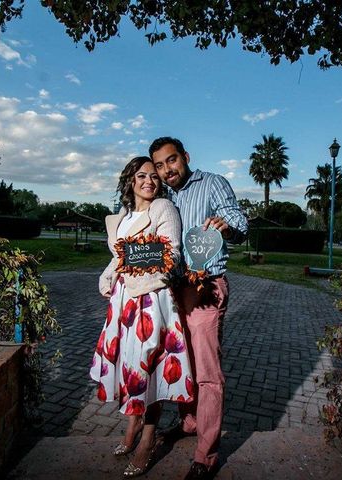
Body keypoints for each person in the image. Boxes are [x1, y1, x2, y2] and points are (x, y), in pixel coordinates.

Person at [149, 137, 248, 480]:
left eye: (171, 160)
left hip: (205, 288)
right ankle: (189, 422)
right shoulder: (164, 198)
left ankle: (206, 457)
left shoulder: (212, 184)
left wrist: (226, 224)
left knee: (207, 372)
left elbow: (240, 221)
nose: (166, 170)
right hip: (172, 290)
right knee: (181, 362)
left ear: (185, 157)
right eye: (160, 165)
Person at [90, 156, 194, 478]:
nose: (149, 180)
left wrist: (137, 273)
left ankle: (148, 438)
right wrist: (108, 275)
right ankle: (132, 425)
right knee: (129, 366)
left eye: (154, 176)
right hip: (123, 302)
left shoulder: (162, 208)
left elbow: (172, 254)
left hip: (151, 300)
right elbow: (119, 256)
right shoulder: (124, 215)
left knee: (149, 367)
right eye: (142, 175)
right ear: (131, 180)